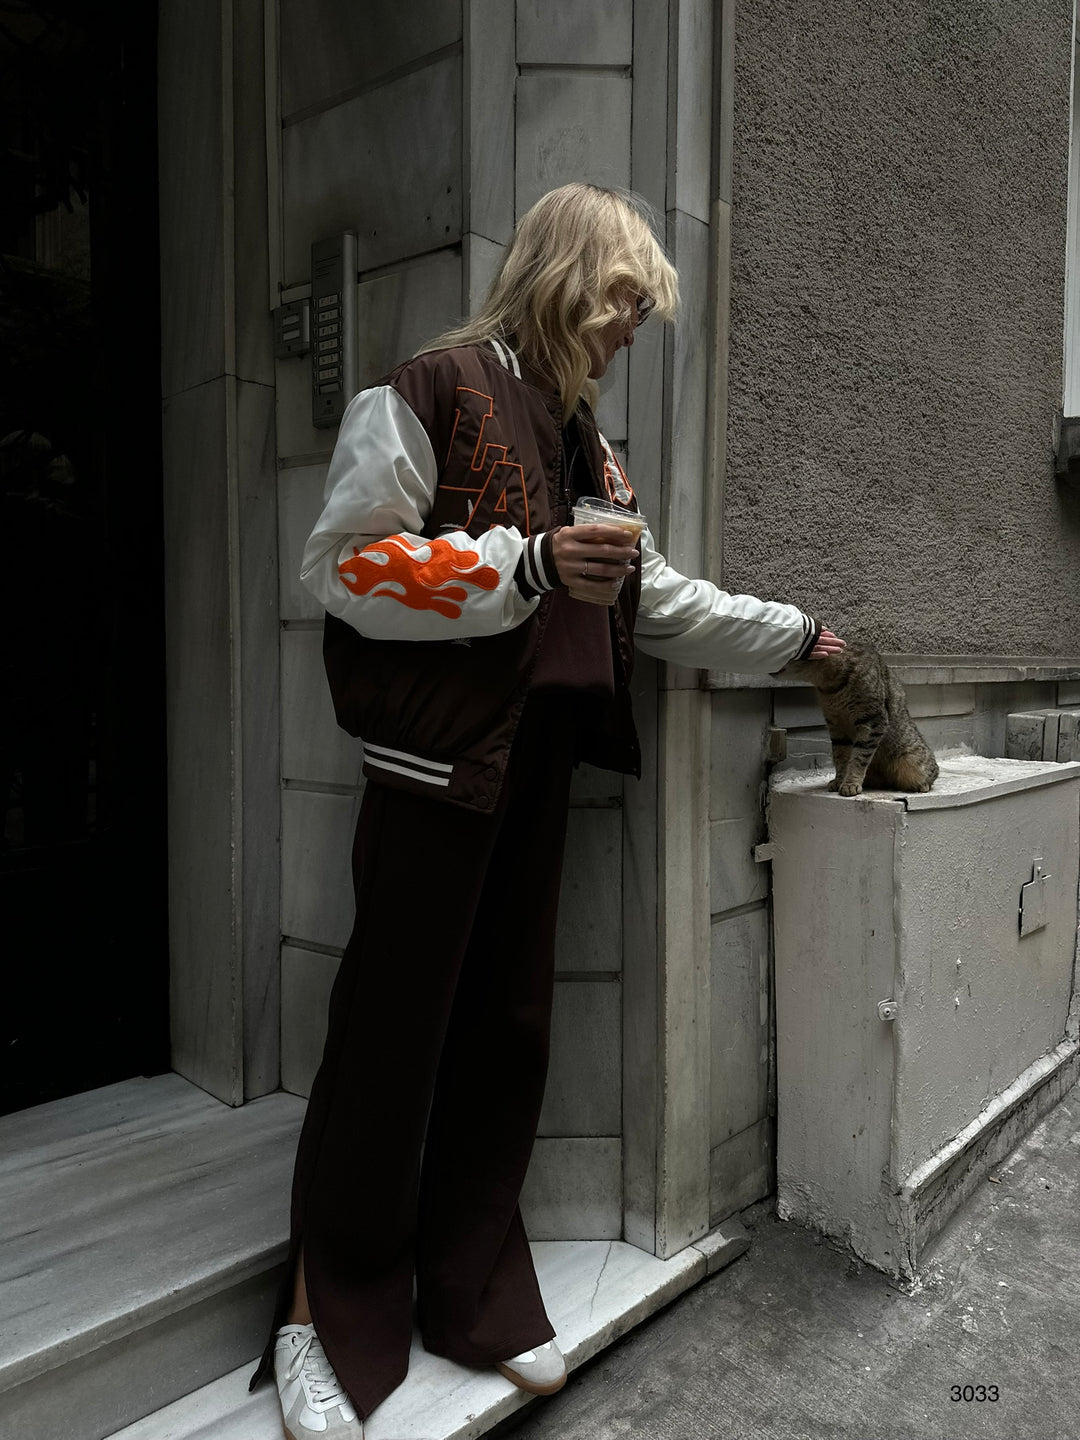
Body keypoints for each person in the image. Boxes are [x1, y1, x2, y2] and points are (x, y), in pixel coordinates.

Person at [250, 182, 845, 1439]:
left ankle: (468, 1296)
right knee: (389, 1041)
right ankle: (323, 1313)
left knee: (507, 1034)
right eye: (626, 305)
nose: (631, 332)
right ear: (572, 277)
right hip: (435, 774)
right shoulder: (429, 389)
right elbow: (342, 567)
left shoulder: (588, 445)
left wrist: (798, 636)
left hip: (534, 774)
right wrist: (521, 566)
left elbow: (657, 599)